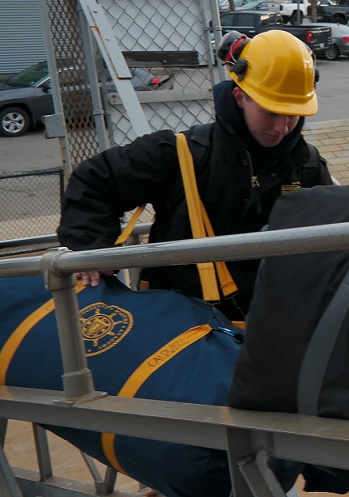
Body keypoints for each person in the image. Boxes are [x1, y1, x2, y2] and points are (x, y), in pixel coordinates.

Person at [58, 29, 332, 323]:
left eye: (293, 114)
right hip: (181, 328)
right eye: (271, 112)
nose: (282, 127)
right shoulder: (179, 154)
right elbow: (95, 180)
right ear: (240, 97)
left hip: (271, 327)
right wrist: (90, 248)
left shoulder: (309, 166)